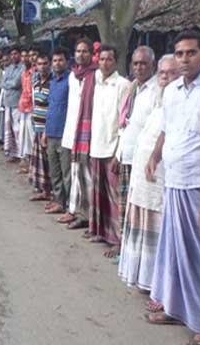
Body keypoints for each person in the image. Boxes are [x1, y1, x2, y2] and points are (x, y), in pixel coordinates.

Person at [145, 31, 200, 345]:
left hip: (199, 185)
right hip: (173, 181)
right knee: (173, 252)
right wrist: (155, 154)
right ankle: (175, 308)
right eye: (179, 53)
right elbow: (167, 127)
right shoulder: (173, 90)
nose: (184, 59)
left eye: (191, 52)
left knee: (199, 257)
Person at [118, 55, 180, 292]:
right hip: (141, 177)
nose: (165, 77)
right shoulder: (154, 97)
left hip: (161, 181)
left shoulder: (175, 102)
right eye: (163, 73)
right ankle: (144, 280)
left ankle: (160, 286)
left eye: (170, 73)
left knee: (159, 232)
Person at [85, 45, 129, 257]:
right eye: (101, 59)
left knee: (115, 199)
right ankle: (100, 232)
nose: (105, 63)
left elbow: (123, 123)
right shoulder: (97, 82)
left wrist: (118, 153)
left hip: (113, 149)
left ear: (116, 61)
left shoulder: (123, 85)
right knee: (98, 194)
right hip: (96, 146)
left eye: (109, 59)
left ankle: (117, 239)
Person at [115, 46, 157, 242]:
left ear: (152, 65)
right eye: (136, 63)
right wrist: (118, 154)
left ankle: (133, 247)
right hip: (127, 154)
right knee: (124, 203)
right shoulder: (133, 88)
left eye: (144, 63)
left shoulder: (157, 91)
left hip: (144, 161)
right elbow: (125, 124)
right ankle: (123, 244)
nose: (139, 67)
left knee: (139, 208)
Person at [58, 38, 98, 229]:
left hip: (87, 133)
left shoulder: (95, 75)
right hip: (70, 131)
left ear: (91, 54)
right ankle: (73, 210)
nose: (81, 54)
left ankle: (87, 215)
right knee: (72, 174)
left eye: (85, 51)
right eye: (78, 51)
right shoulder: (73, 76)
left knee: (86, 177)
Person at [44, 48, 70, 215]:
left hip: (65, 134)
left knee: (67, 173)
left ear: (66, 62)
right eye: (55, 61)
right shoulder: (52, 82)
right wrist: (45, 132)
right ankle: (58, 201)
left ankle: (69, 206)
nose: (57, 63)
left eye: (60, 60)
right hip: (51, 132)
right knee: (55, 172)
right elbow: (50, 107)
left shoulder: (71, 81)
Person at [29, 53, 52, 202]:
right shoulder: (36, 83)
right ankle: (44, 191)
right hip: (36, 127)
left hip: (47, 129)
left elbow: (51, 108)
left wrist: (46, 130)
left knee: (49, 162)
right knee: (40, 162)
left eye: (45, 63)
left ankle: (52, 194)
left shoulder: (52, 83)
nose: (42, 67)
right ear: (36, 66)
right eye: (39, 64)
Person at [1, 47, 24, 162]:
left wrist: (8, 83)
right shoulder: (9, 68)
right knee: (9, 129)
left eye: (16, 53)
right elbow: (2, 83)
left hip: (17, 102)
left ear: (19, 55)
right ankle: (12, 153)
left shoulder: (23, 68)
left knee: (18, 129)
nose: (13, 56)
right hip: (8, 102)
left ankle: (21, 155)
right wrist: (10, 83)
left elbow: (16, 83)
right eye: (12, 54)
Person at [17, 47, 35, 173]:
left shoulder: (35, 73)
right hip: (23, 107)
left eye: (28, 56)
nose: (26, 58)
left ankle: (34, 165)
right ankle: (27, 161)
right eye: (24, 56)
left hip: (33, 109)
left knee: (33, 137)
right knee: (24, 137)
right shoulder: (24, 73)